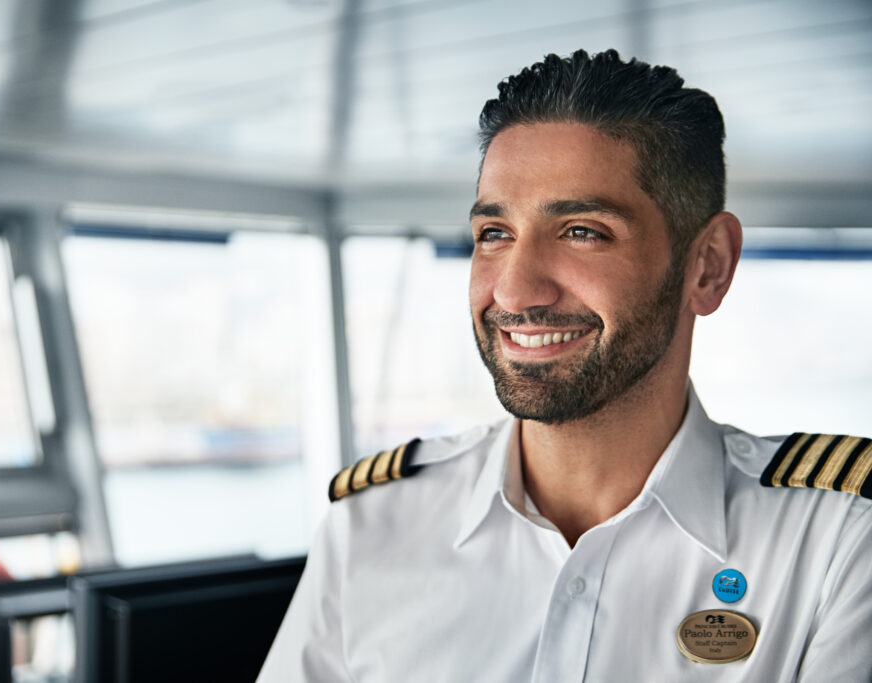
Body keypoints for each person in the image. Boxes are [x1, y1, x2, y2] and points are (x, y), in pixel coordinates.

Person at [257, 50, 872, 682]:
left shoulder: (838, 541)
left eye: (582, 231)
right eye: (494, 233)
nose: (516, 292)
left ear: (708, 265)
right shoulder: (370, 526)